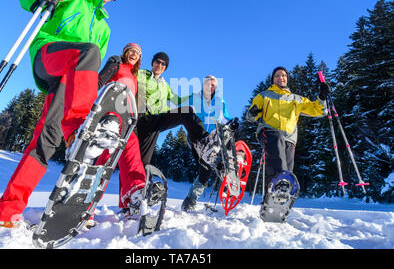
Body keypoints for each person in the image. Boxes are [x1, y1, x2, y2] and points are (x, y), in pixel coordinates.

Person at [0, 0, 124, 228]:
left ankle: (5, 211)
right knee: (89, 52)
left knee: (46, 140)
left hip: (70, 80)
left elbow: (89, 72)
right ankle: (79, 130)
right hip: (49, 55)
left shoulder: (104, 28)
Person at [245, 66, 329, 192]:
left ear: (287, 79)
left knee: (287, 167)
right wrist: (253, 113)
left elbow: (319, 110)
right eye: (277, 75)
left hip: (289, 137)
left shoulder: (297, 99)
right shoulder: (264, 96)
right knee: (276, 146)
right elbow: (250, 117)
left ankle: (276, 199)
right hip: (268, 131)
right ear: (273, 79)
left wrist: (322, 97)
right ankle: (281, 184)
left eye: (283, 75)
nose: (281, 78)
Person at [93, 43, 146, 218]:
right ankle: (85, 202)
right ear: (125, 52)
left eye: (137, 53)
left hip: (126, 120)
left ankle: (133, 195)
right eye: (131, 51)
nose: (134, 54)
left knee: (128, 151)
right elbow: (99, 81)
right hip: (110, 115)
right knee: (106, 157)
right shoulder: (117, 64)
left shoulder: (134, 76)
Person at [136, 52, 213, 168]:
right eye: (158, 61)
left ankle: (203, 142)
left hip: (157, 120)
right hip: (143, 118)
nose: (160, 65)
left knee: (186, 111)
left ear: (165, 68)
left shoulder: (164, 85)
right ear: (153, 62)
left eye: (163, 64)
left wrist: (196, 95)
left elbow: (177, 101)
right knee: (140, 161)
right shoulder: (141, 74)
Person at [180, 75, 234, 211]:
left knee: (205, 170)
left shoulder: (220, 102)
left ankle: (190, 200)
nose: (210, 87)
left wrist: (232, 123)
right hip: (197, 137)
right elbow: (184, 112)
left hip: (213, 139)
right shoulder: (195, 98)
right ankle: (220, 169)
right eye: (207, 84)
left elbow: (225, 118)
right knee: (206, 165)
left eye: (213, 84)